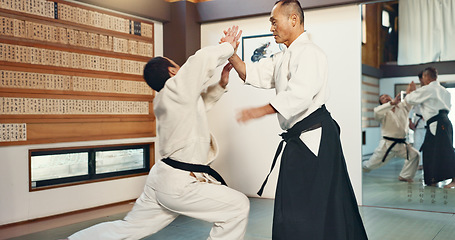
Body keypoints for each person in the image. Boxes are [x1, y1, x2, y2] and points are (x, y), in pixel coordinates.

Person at [65, 26, 250, 240]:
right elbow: (200, 60)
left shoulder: (167, 99)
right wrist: (227, 46)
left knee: (129, 228)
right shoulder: (174, 88)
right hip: (178, 184)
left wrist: (221, 85)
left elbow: (197, 106)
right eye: (176, 65)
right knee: (237, 206)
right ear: (172, 71)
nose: (181, 68)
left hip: (162, 180)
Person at [226, 1, 368, 239]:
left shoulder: (311, 52)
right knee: (296, 203)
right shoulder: (283, 56)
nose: (271, 27)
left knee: (312, 205)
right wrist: (229, 52)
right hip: (300, 139)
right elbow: (251, 72)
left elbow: (299, 96)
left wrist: (259, 111)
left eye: (274, 21)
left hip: (314, 138)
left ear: (293, 19)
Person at [405, 67, 455, 188]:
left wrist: (410, 91)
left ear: (426, 77)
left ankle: (452, 179)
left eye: (422, 78)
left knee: (445, 151)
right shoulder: (444, 91)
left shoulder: (429, 89)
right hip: (444, 122)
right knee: (432, 151)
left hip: (437, 124)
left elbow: (409, 99)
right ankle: (433, 179)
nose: (421, 80)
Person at [362, 93, 420, 182]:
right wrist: (391, 104)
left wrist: (411, 90)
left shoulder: (402, 107)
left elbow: (409, 100)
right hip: (387, 145)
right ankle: (361, 167)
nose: (385, 98)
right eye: (382, 98)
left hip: (401, 144)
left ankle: (405, 176)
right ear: (381, 103)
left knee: (414, 155)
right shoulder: (382, 112)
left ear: (391, 97)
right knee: (370, 165)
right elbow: (376, 112)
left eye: (386, 96)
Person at [408, 71, 426, 170]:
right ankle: (418, 164)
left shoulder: (432, 90)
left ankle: (428, 163)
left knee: (430, 145)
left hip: (431, 121)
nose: (422, 81)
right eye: (420, 79)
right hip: (419, 121)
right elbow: (411, 107)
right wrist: (410, 120)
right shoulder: (416, 92)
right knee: (417, 144)